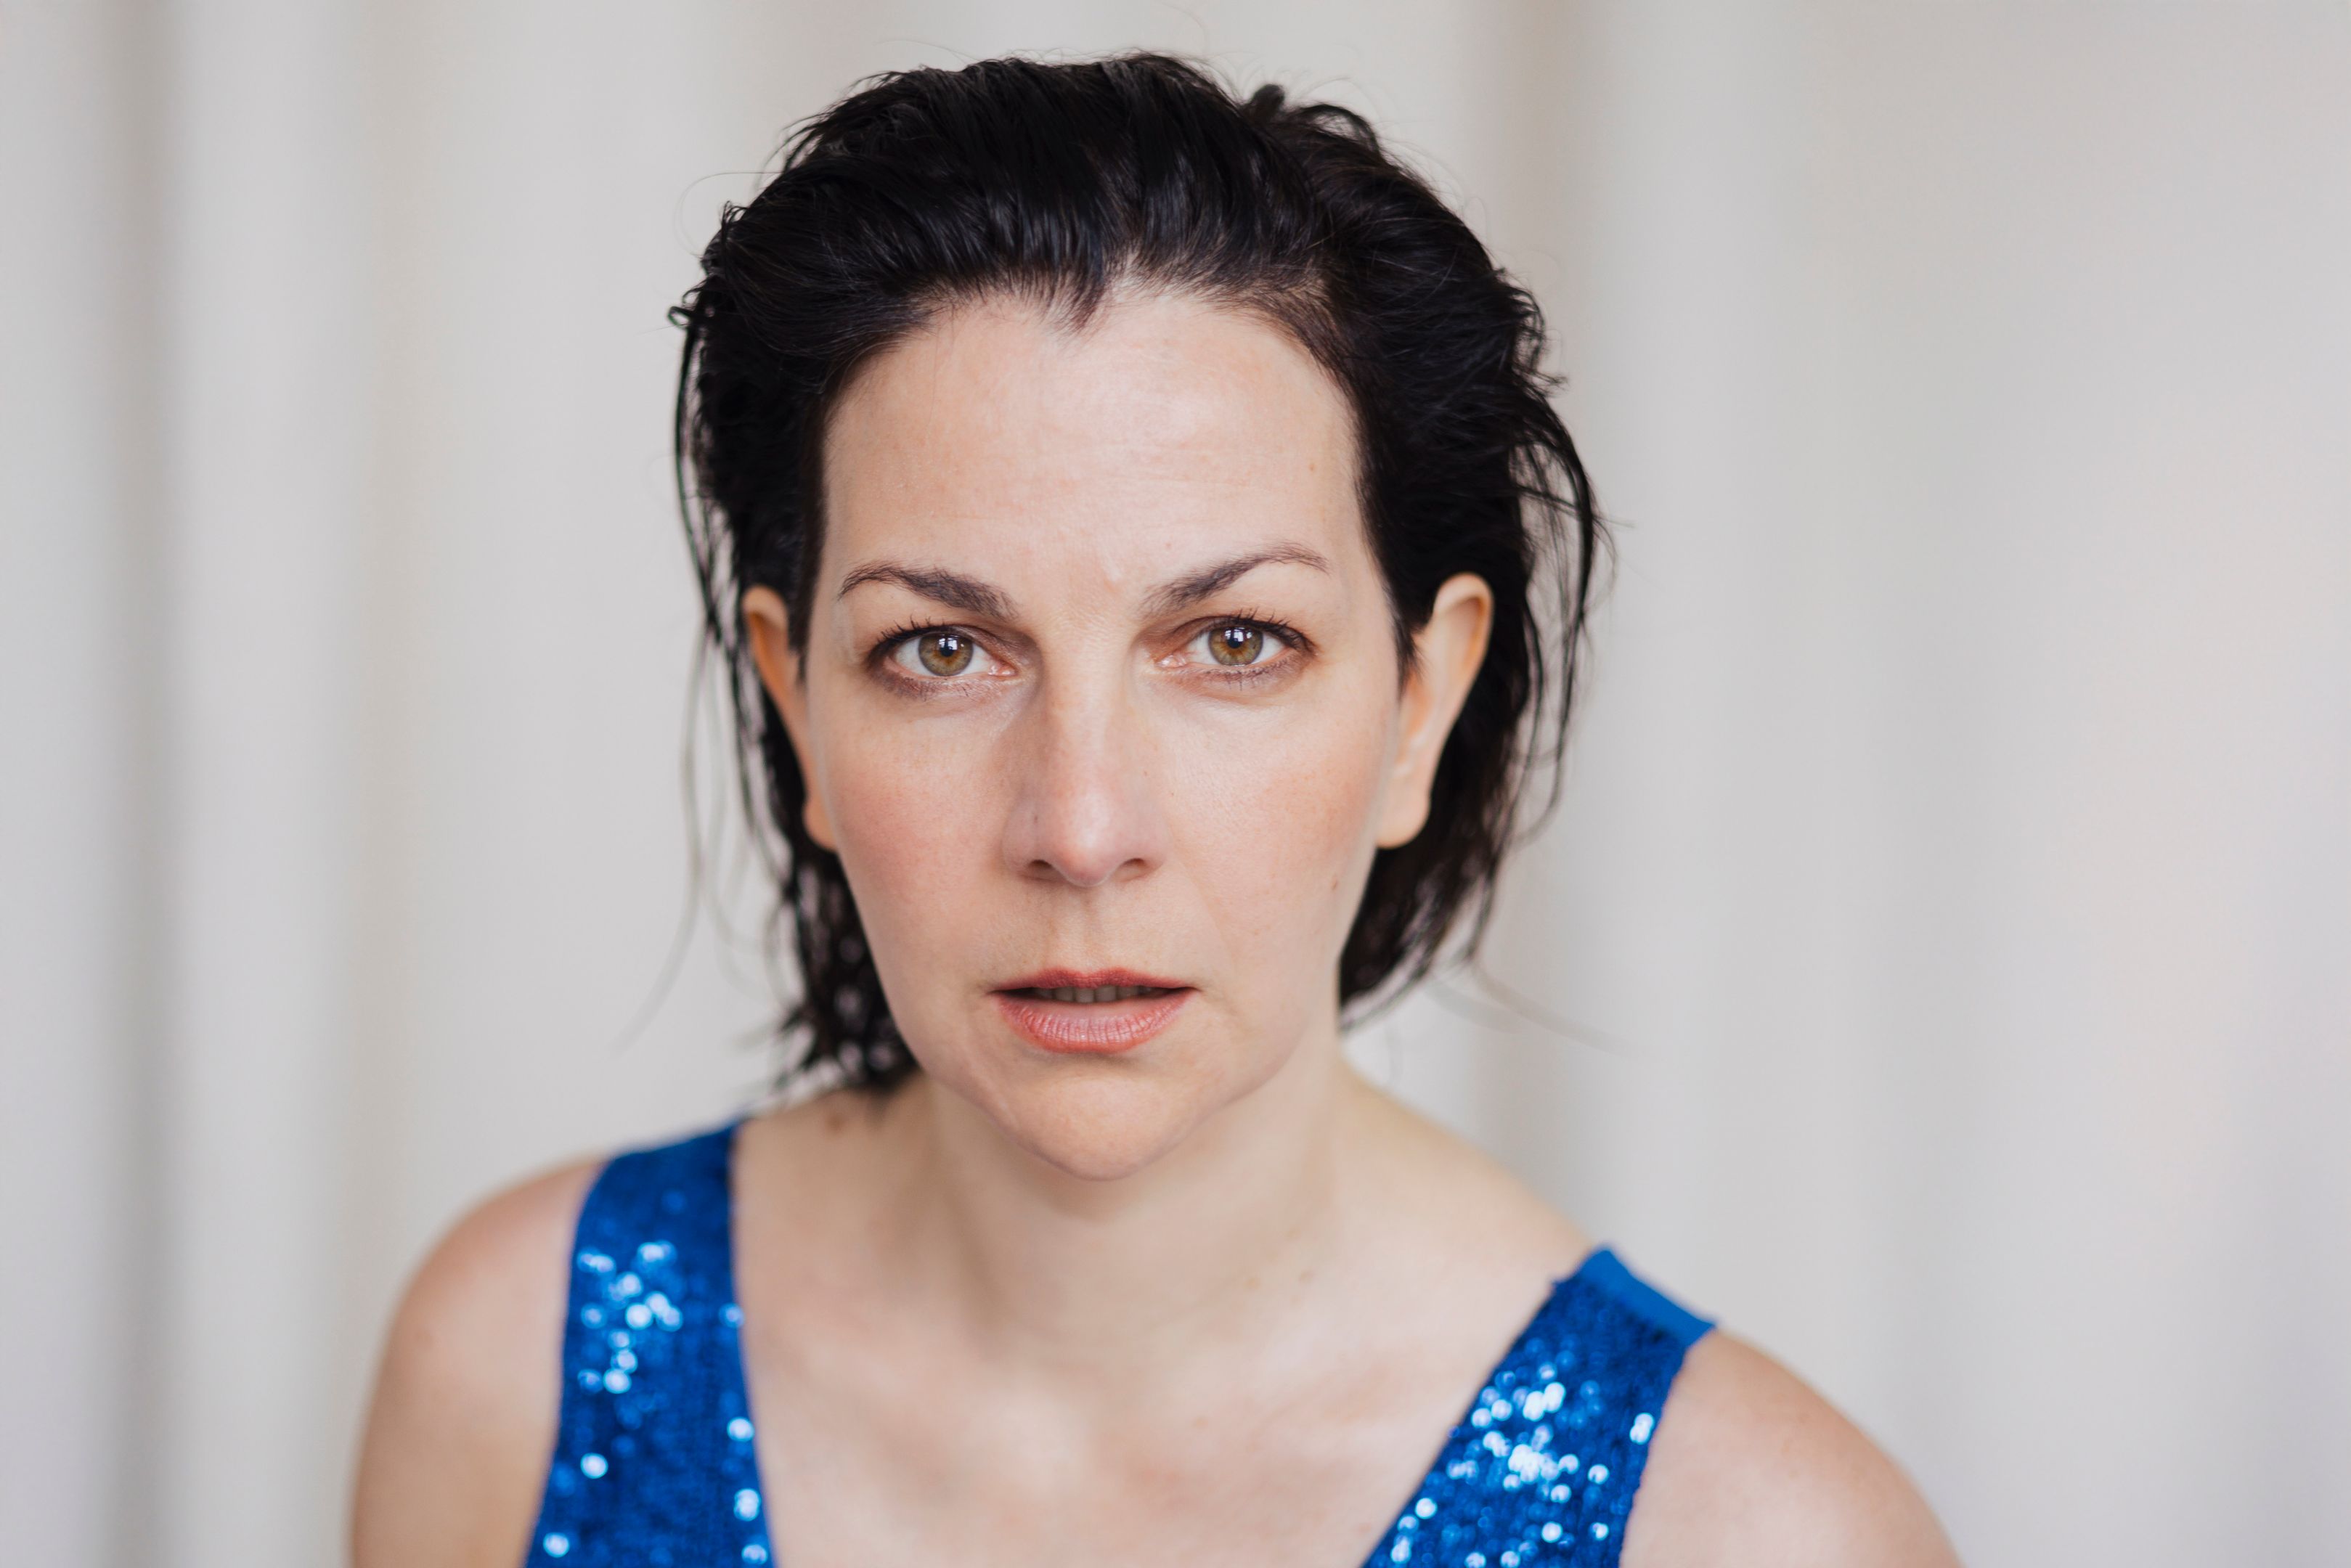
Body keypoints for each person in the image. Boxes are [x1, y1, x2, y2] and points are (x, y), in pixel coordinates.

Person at [351, 53, 1957, 1568]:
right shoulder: (516, 1364)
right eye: (941, 650)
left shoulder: (1749, 1531)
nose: (1080, 826)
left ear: (1422, 700)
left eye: (1233, 643)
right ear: (796, 706)